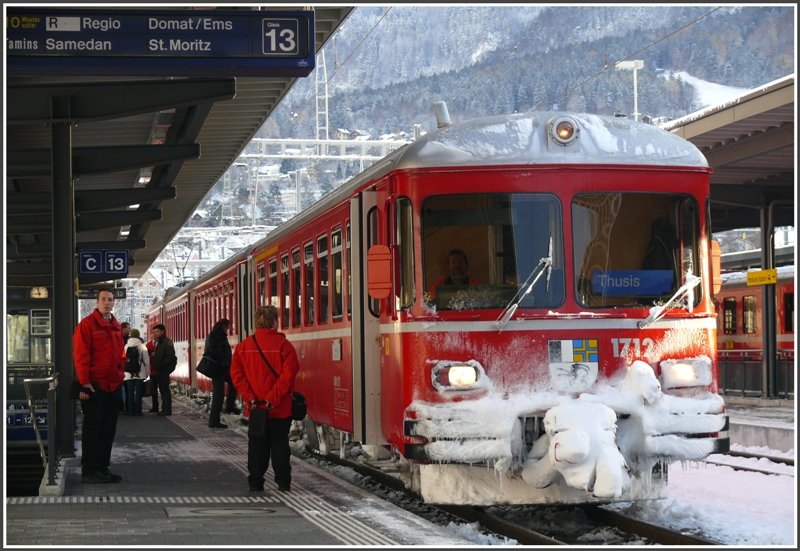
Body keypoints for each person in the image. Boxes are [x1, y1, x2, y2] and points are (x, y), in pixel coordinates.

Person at [230, 305, 300, 492]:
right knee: (280, 445)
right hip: (280, 407)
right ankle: (283, 483)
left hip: (255, 409)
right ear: (274, 322)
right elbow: (288, 375)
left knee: (256, 446)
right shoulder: (284, 346)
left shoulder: (244, 347)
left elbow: (236, 375)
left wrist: (250, 397)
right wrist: (273, 398)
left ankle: (255, 482)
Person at [72, 287, 125, 484]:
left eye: (110, 299)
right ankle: (90, 470)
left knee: (108, 429)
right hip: (95, 386)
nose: (107, 303)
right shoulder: (87, 325)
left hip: (112, 385)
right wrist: (84, 383)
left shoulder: (116, 326)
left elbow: (120, 354)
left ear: (114, 302)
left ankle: (103, 467)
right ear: (97, 302)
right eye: (103, 299)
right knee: (93, 429)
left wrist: (120, 375)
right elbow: (81, 355)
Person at [204, 318, 234, 429]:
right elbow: (219, 352)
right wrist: (224, 363)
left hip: (219, 369)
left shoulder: (214, 335)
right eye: (227, 327)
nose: (228, 329)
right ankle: (214, 421)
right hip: (219, 369)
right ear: (223, 326)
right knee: (218, 395)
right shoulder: (218, 336)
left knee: (223, 391)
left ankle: (228, 408)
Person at [150, 323, 177, 416]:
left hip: (164, 370)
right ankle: (164, 409)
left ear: (162, 331)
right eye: (154, 331)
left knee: (165, 390)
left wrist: (161, 364)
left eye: (157, 331)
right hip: (159, 369)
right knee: (162, 389)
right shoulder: (160, 342)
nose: (155, 333)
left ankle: (167, 409)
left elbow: (170, 356)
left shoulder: (167, 342)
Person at [123, 328, 150, 416]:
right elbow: (146, 361)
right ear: (138, 335)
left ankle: (130, 411)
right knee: (138, 393)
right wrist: (148, 373)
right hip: (140, 372)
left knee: (130, 393)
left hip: (128, 373)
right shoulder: (142, 346)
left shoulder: (126, 346)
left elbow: (123, 359)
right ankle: (138, 411)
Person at [146, 329, 159, 413]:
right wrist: (151, 354)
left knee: (163, 389)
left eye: (155, 333)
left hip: (160, 370)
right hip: (152, 370)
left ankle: (164, 407)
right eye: (152, 333)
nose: (154, 335)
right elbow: (145, 356)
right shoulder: (148, 345)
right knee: (153, 390)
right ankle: (155, 406)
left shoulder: (161, 343)